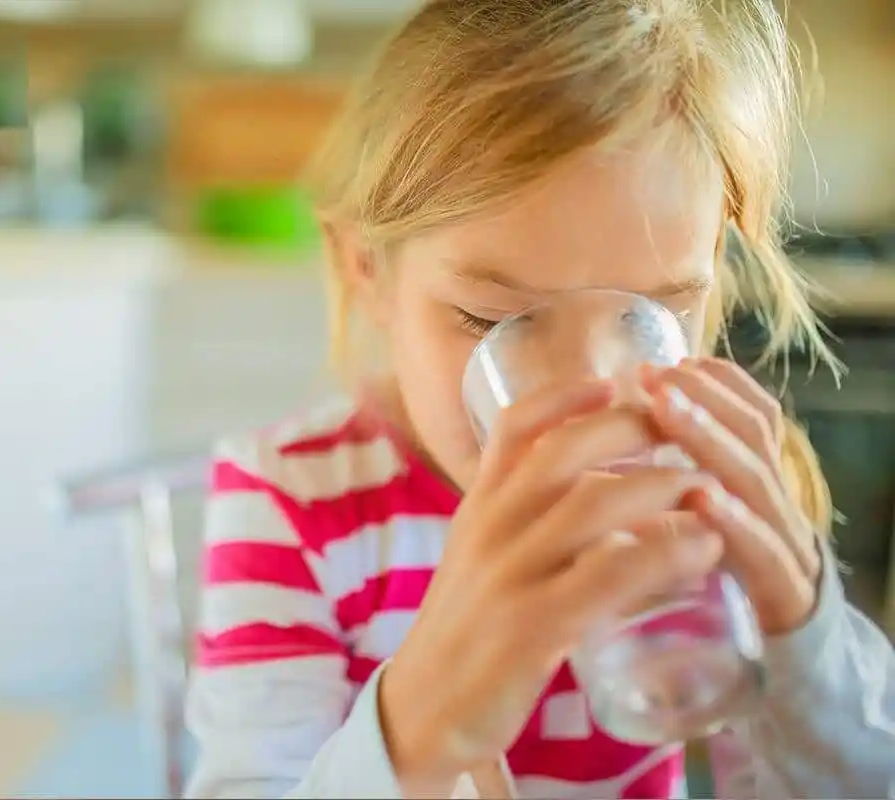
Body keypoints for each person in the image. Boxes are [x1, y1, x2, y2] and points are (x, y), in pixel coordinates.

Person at [185, 1, 895, 797]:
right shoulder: (289, 504)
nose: (588, 393)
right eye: (492, 320)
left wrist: (807, 641)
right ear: (368, 270)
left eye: (649, 315)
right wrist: (417, 729)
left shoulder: (701, 489)